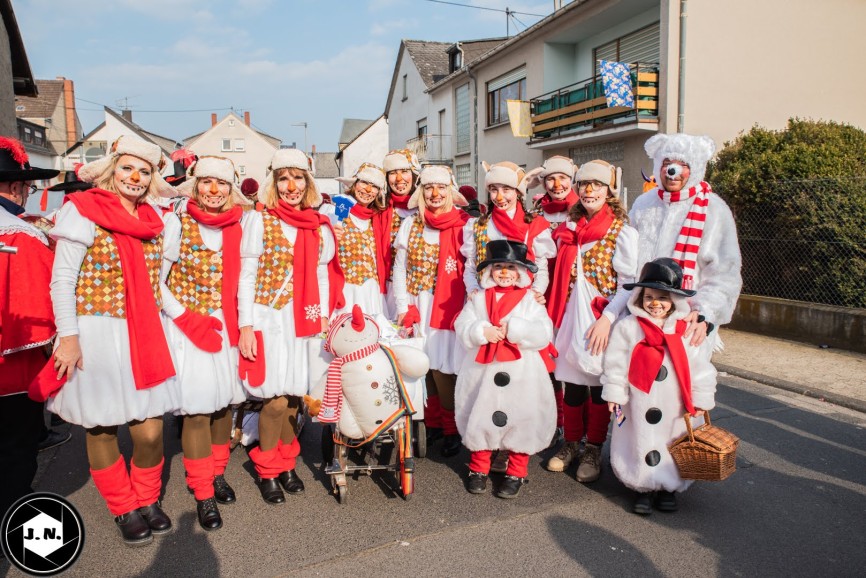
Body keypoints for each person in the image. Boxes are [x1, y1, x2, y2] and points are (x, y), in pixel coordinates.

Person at [38, 135, 177, 546]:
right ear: (111, 170)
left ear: (152, 178)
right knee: (101, 427)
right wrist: (68, 338)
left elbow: (159, 285)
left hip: (146, 331)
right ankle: (123, 506)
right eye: (127, 168)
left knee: (150, 430)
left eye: (144, 170)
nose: (135, 177)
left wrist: (190, 320)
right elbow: (62, 279)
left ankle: (148, 498)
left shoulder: (158, 221)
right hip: (96, 331)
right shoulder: (82, 211)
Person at [238, 149, 344, 504]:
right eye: (284, 178)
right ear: (274, 183)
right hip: (269, 318)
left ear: (308, 183)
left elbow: (320, 276)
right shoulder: (259, 221)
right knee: (273, 400)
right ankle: (268, 470)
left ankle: (285, 464)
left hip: (304, 317)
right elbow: (247, 276)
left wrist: (324, 317)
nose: (291, 185)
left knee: (294, 398)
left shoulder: (317, 224)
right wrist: (246, 325)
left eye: (298, 177)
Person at [160, 156, 251, 530]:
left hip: (225, 328)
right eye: (207, 183)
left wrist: (244, 326)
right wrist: (185, 318)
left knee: (222, 409)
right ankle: (202, 492)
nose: (214, 191)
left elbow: (245, 280)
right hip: (188, 329)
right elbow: (157, 281)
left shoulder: (239, 225)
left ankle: (215, 473)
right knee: (197, 411)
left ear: (231, 189)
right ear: (195, 186)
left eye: (223, 184)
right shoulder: (175, 222)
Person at [546, 160, 638, 483]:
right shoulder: (569, 231)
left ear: (609, 191)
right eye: (584, 185)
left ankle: (593, 449)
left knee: (599, 386)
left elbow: (629, 284)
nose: (589, 191)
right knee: (571, 383)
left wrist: (608, 319)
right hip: (572, 315)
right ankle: (571, 443)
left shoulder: (622, 233)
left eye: (596, 185)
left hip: (602, 318)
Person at [601, 258, 717, 514]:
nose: (655, 303)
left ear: (674, 301)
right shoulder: (629, 327)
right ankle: (641, 487)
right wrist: (614, 392)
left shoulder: (683, 330)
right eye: (649, 296)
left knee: (672, 440)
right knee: (638, 437)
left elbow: (699, 366)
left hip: (674, 403)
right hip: (638, 400)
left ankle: (668, 487)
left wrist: (700, 398)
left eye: (662, 298)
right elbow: (616, 363)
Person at [460, 161, 556, 469]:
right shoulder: (478, 224)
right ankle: (486, 442)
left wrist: (535, 291)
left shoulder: (535, 225)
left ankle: (513, 444)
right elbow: (471, 263)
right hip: (486, 298)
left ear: (519, 191)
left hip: (521, 296)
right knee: (483, 383)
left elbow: (540, 265)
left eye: (506, 189)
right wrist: (475, 290)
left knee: (519, 384)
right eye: (493, 189)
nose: (500, 196)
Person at [453, 240, 555, 499]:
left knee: (522, 417)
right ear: (489, 270)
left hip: (522, 370)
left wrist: (518, 330)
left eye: (511, 267)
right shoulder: (478, 298)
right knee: (479, 412)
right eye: (499, 266)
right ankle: (478, 467)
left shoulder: (530, 300)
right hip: (482, 370)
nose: (504, 272)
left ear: (520, 271)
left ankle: (517, 471)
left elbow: (544, 332)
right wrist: (480, 331)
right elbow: (462, 324)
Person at [630, 133, 742, 350]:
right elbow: (627, 258)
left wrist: (705, 313)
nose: (673, 170)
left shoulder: (713, 209)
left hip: (688, 319)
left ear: (696, 168)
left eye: (683, 164)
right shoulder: (643, 204)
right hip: (642, 313)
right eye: (667, 163)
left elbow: (725, 272)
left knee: (687, 381)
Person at [392, 165, 470, 457]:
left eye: (440, 188)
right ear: (421, 193)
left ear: (450, 191)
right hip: (418, 303)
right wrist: (402, 306)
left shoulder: (465, 224)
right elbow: (400, 269)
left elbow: (472, 269)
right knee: (420, 365)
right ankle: (432, 424)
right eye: (428, 188)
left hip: (449, 305)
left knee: (443, 368)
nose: (435, 194)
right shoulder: (411, 224)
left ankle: (451, 428)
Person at [0, 137, 58, 521]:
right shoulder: (23, 235)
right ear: (17, 187)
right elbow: (42, 310)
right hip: (11, 372)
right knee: (13, 450)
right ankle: (13, 517)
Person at [526, 155, 580, 447]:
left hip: (570, 296)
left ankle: (573, 428)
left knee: (569, 362)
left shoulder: (582, 209)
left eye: (563, 178)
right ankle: (552, 419)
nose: (557, 184)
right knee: (544, 361)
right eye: (551, 179)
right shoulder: (537, 211)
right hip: (540, 295)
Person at [333, 163, 390, 318]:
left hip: (371, 293)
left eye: (374, 186)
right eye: (364, 182)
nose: (368, 190)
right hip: (345, 291)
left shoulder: (376, 219)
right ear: (354, 184)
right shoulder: (335, 211)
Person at [382, 149, 420, 319]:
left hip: (417, 290)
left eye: (404, 171)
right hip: (386, 288)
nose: (399, 179)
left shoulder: (425, 208)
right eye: (393, 173)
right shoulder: (379, 209)